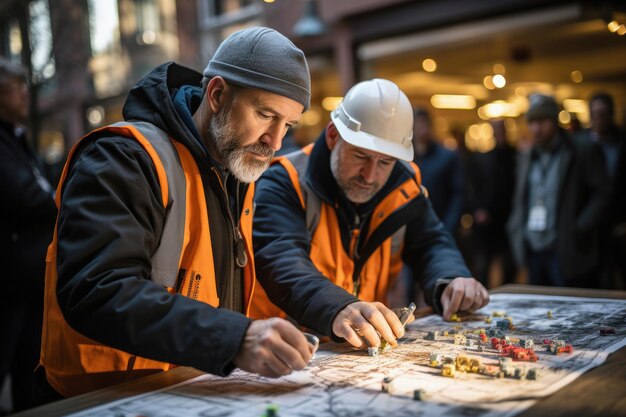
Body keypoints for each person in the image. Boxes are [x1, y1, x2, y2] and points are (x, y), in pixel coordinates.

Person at [39, 27, 410, 399]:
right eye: (266, 115)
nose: (275, 141)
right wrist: (234, 337)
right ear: (216, 94)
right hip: (98, 398)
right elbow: (98, 288)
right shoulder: (123, 157)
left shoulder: (235, 168)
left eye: (288, 125)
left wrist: (334, 308)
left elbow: (270, 260)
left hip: (186, 389)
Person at [251, 79, 489, 326]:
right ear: (333, 136)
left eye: (385, 162)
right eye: (360, 156)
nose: (370, 175)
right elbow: (282, 262)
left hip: (361, 340)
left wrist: (450, 279)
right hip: (284, 344)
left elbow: (430, 243)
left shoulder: (403, 186)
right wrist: (340, 307)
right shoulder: (284, 181)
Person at [0, 58, 57, 412]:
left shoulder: (17, 139)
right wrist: (56, 199)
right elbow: (27, 195)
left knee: (28, 368)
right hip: (9, 282)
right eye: (15, 85)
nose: (25, 92)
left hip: (28, 278)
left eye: (25, 84)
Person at [507, 94, 610, 287]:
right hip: (533, 247)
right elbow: (520, 199)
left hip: (564, 248)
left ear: (554, 120)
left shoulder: (580, 149)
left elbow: (603, 193)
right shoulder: (528, 156)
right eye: (532, 122)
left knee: (568, 308)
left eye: (542, 121)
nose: (536, 128)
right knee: (538, 310)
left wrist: (580, 226)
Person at [575, 93, 626, 288]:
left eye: (603, 113)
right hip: (589, 226)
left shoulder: (621, 142)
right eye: (595, 113)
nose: (599, 118)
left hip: (619, 223)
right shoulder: (580, 143)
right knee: (595, 280)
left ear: (611, 114)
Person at [467, 119, 517, 286]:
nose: (499, 133)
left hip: (508, 220)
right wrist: (478, 209)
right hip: (486, 224)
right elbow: (473, 187)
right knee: (483, 267)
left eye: (501, 129)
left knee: (509, 266)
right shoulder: (483, 158)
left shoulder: (515, 157)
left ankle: (506, 296)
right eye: (495, 130)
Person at [412, 108, 465, 236]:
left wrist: (447, 228)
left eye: (424, 124)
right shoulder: (405, 158)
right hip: (412, 229)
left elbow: (458, 194)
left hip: (442, 225)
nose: (421, 128)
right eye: (418, 124)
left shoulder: (448, 156)